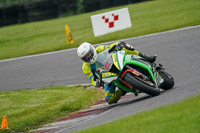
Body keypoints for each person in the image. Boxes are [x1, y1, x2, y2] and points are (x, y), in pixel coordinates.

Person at [77, 41, 156, 104]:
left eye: (89, 54)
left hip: (114, 63)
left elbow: (110, 48)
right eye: (85, 57)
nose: (88, 57)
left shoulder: (100, 49)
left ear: (92, 50)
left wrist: (118, 45)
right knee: (109, 99)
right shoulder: (85, 68)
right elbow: (93, 79)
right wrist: (98, 82)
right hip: (107, 77)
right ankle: (122, 90)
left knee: (126, 47)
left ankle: (144, 57)